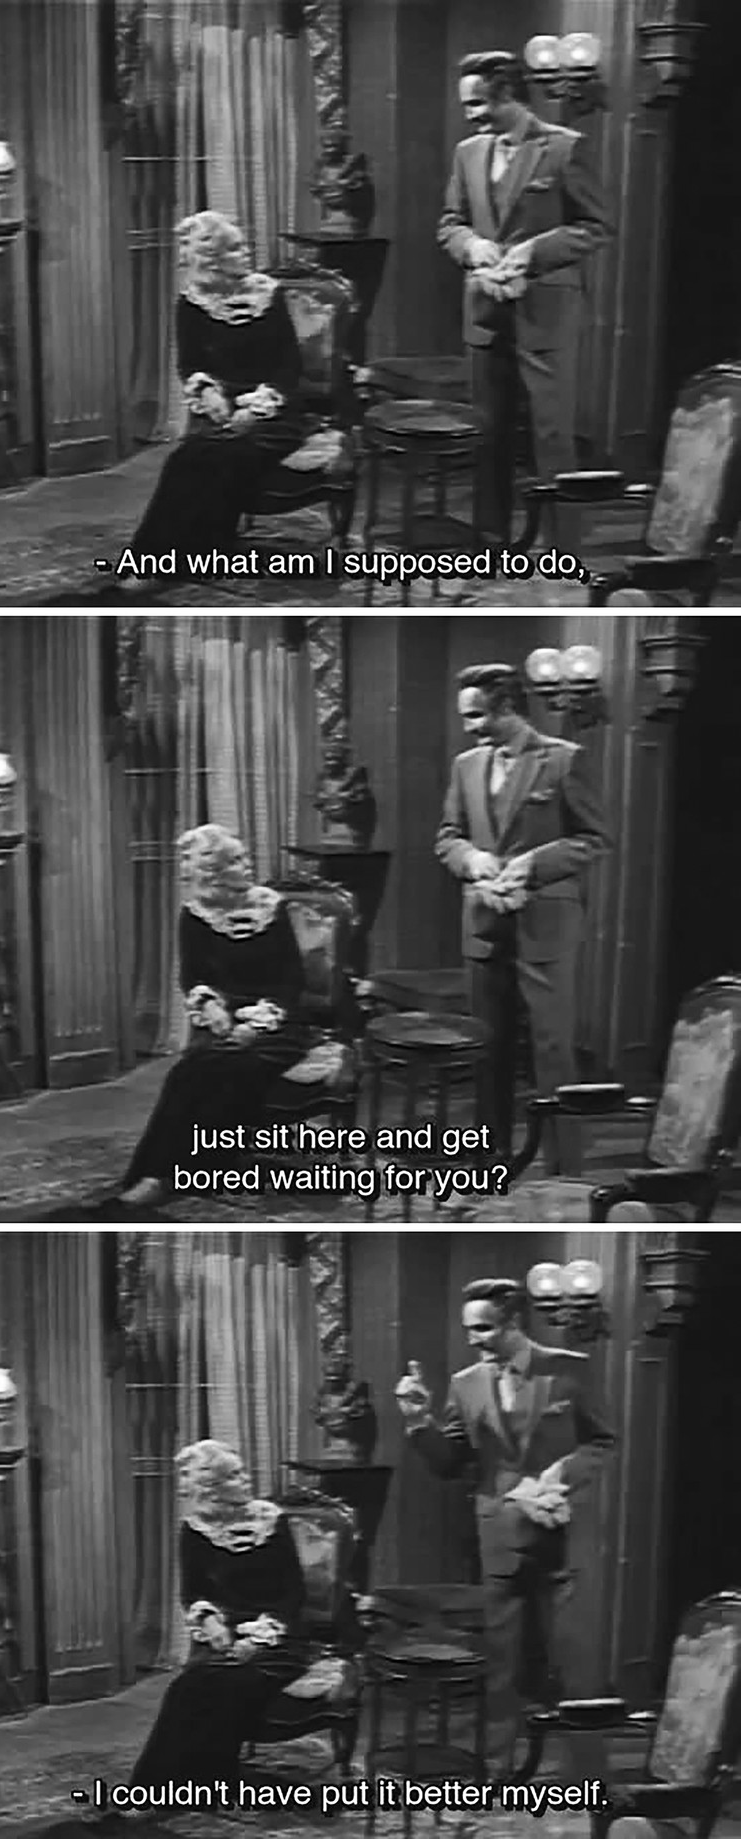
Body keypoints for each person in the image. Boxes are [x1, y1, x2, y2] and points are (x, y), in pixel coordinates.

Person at [395, 1277, 616, 1779]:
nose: (473, 1338)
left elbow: (602, 1439)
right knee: (501, 1663)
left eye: (483, 1329)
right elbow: (450, 1462)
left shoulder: (569, 1369)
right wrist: (418, 1421)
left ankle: (589, 1777)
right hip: (500, 1536)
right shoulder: (466, 1383)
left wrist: (560, 1478)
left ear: (513, 1322)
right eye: (468, 1329)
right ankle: (496, 1771)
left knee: (574, 1661)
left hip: (564, 1534)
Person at [436, 662, 610, 1176]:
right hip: (484, 924)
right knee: (486, 1045)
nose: (468, 726)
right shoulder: (466, 765)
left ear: (507, 707)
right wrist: (473, 860)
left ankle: (563, 1167)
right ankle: (489, 1156)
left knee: (552, 1048)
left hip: (546, 927)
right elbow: (448, 837)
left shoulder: (564, 759)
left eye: (475, 715)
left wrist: (534, 865)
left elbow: (595, 839)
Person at [438, 50, 612, 550]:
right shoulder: (467, 153)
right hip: (485, 310)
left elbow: (597, 226)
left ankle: (563, 547)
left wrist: (535, 252)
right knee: (488, 430)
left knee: (551, 434)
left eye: (476, 103)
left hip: (546, 313)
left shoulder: (564, 148)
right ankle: (489, 538)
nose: (469, 114)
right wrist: (472, 246)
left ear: (507, 94)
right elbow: (449, 223)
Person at [118, 823, 312, 1210]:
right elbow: (192, 977)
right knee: (190, 1072)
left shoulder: (272, 908)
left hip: (280, 1021)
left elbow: (292, 981)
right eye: (237, 860)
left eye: (244, 857)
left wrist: (256, 1025)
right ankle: (163, 1172)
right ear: (215, 872)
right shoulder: (195, 916)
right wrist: (209, 1005)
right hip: (226, 1019)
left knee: (223, 1067)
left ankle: (166, 1175)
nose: (248, 865)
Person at [118, 211, 306, 595]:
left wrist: (256, 409)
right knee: (190, 458)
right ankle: (175, 556)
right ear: (213, 260)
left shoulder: (269, 296)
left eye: (243, 245)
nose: (246, 252)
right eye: (235, 248)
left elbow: (290, 368)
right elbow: (190, 364)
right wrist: (207, 392)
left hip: (276, 411)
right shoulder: (192, 304)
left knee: (211, 456)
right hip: (223, 409)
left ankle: (166, 559)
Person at [130, 1439, 309, 1796]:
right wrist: (210, 1621)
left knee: (223, 1685)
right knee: (188, 1688)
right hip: (224, 1637)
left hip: (279, 1638)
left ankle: (193, 1783)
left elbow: (294, 1593)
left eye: (243, 1472)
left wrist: (259, 1638)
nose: (247, 1479)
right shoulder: (194, 1530)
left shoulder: (273, 1521)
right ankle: (162, 1788)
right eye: (235, 1475)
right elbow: (193, 1592)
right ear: (212, 1488)